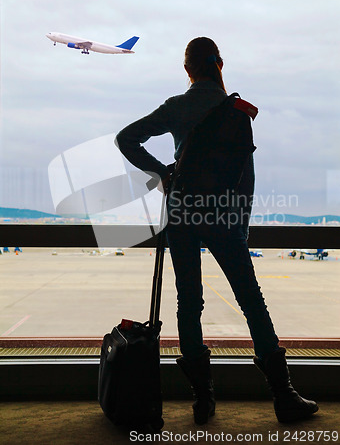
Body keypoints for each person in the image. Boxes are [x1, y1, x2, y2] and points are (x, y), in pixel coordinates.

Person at [115, 37, 318, 425]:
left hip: (183, 213)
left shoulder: (176, 107)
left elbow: (126, 138)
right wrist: (239, 228)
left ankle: (203, 400)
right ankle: (283, 395)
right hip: (226, 217)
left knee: (189, 303)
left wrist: (164, 172)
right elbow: (246, 178)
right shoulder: (237, 111)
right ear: (219, 65)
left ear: (188, 69)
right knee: (251, 302)